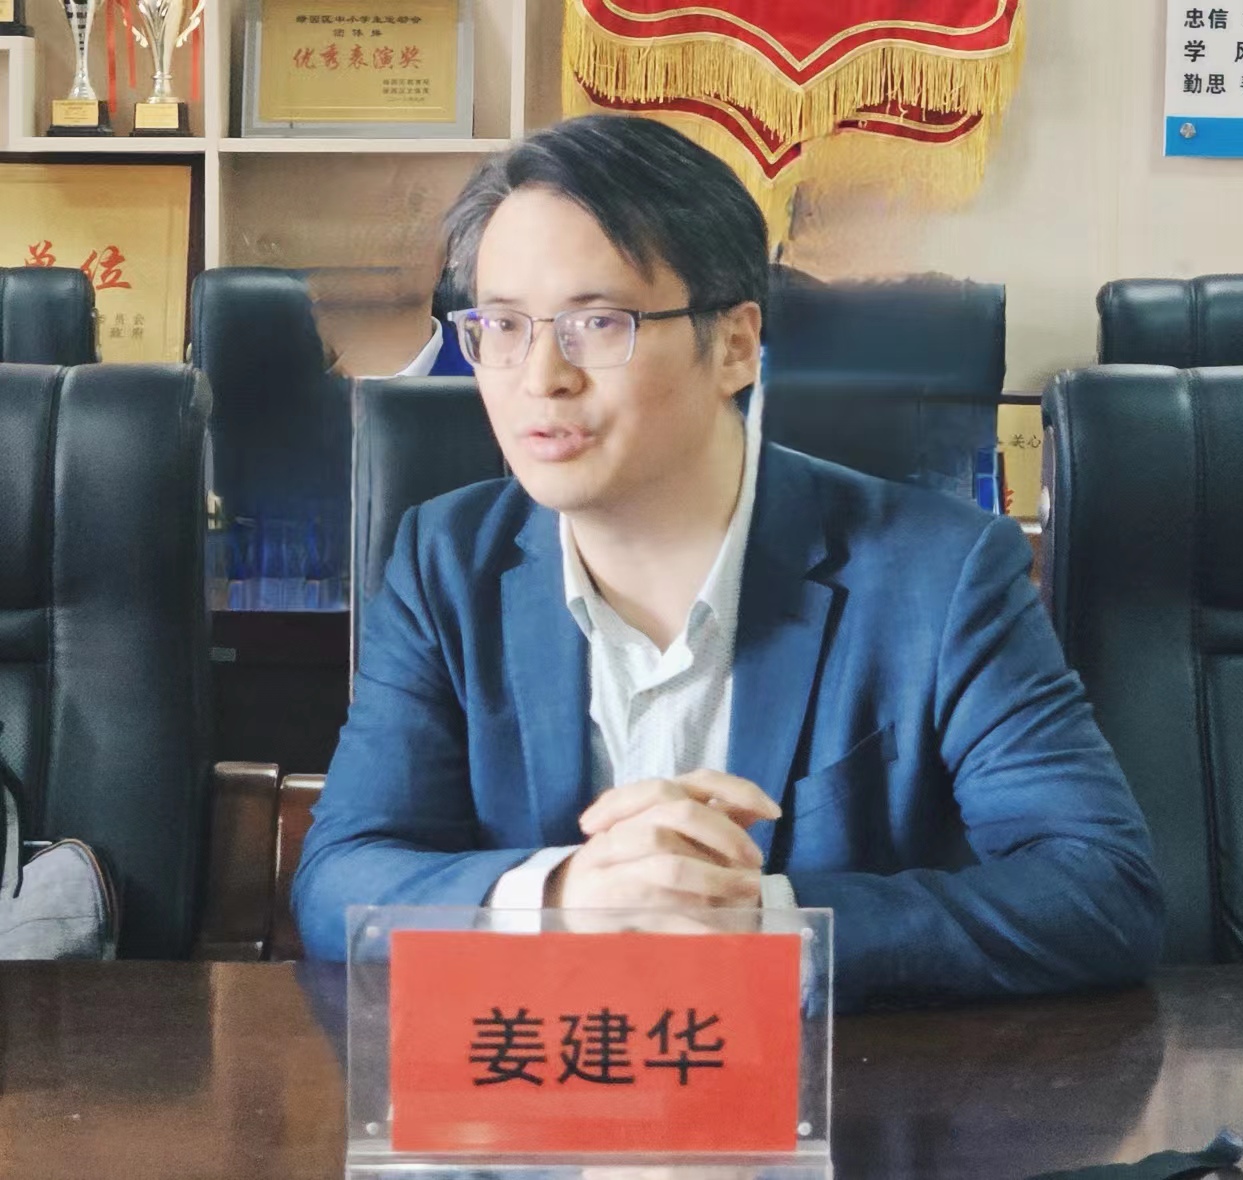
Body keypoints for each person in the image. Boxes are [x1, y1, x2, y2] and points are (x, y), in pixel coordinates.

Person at [292, 115, 1163, 1010]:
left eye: (599, 322)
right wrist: (561, 898)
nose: (540, 375)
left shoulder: (940, 575)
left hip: (834, 1087)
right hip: (543, 1078)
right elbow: (339, 881)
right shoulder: (446, 563)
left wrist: (764, 922)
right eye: (504, 325)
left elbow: (1101, 891)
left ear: (737, 345)